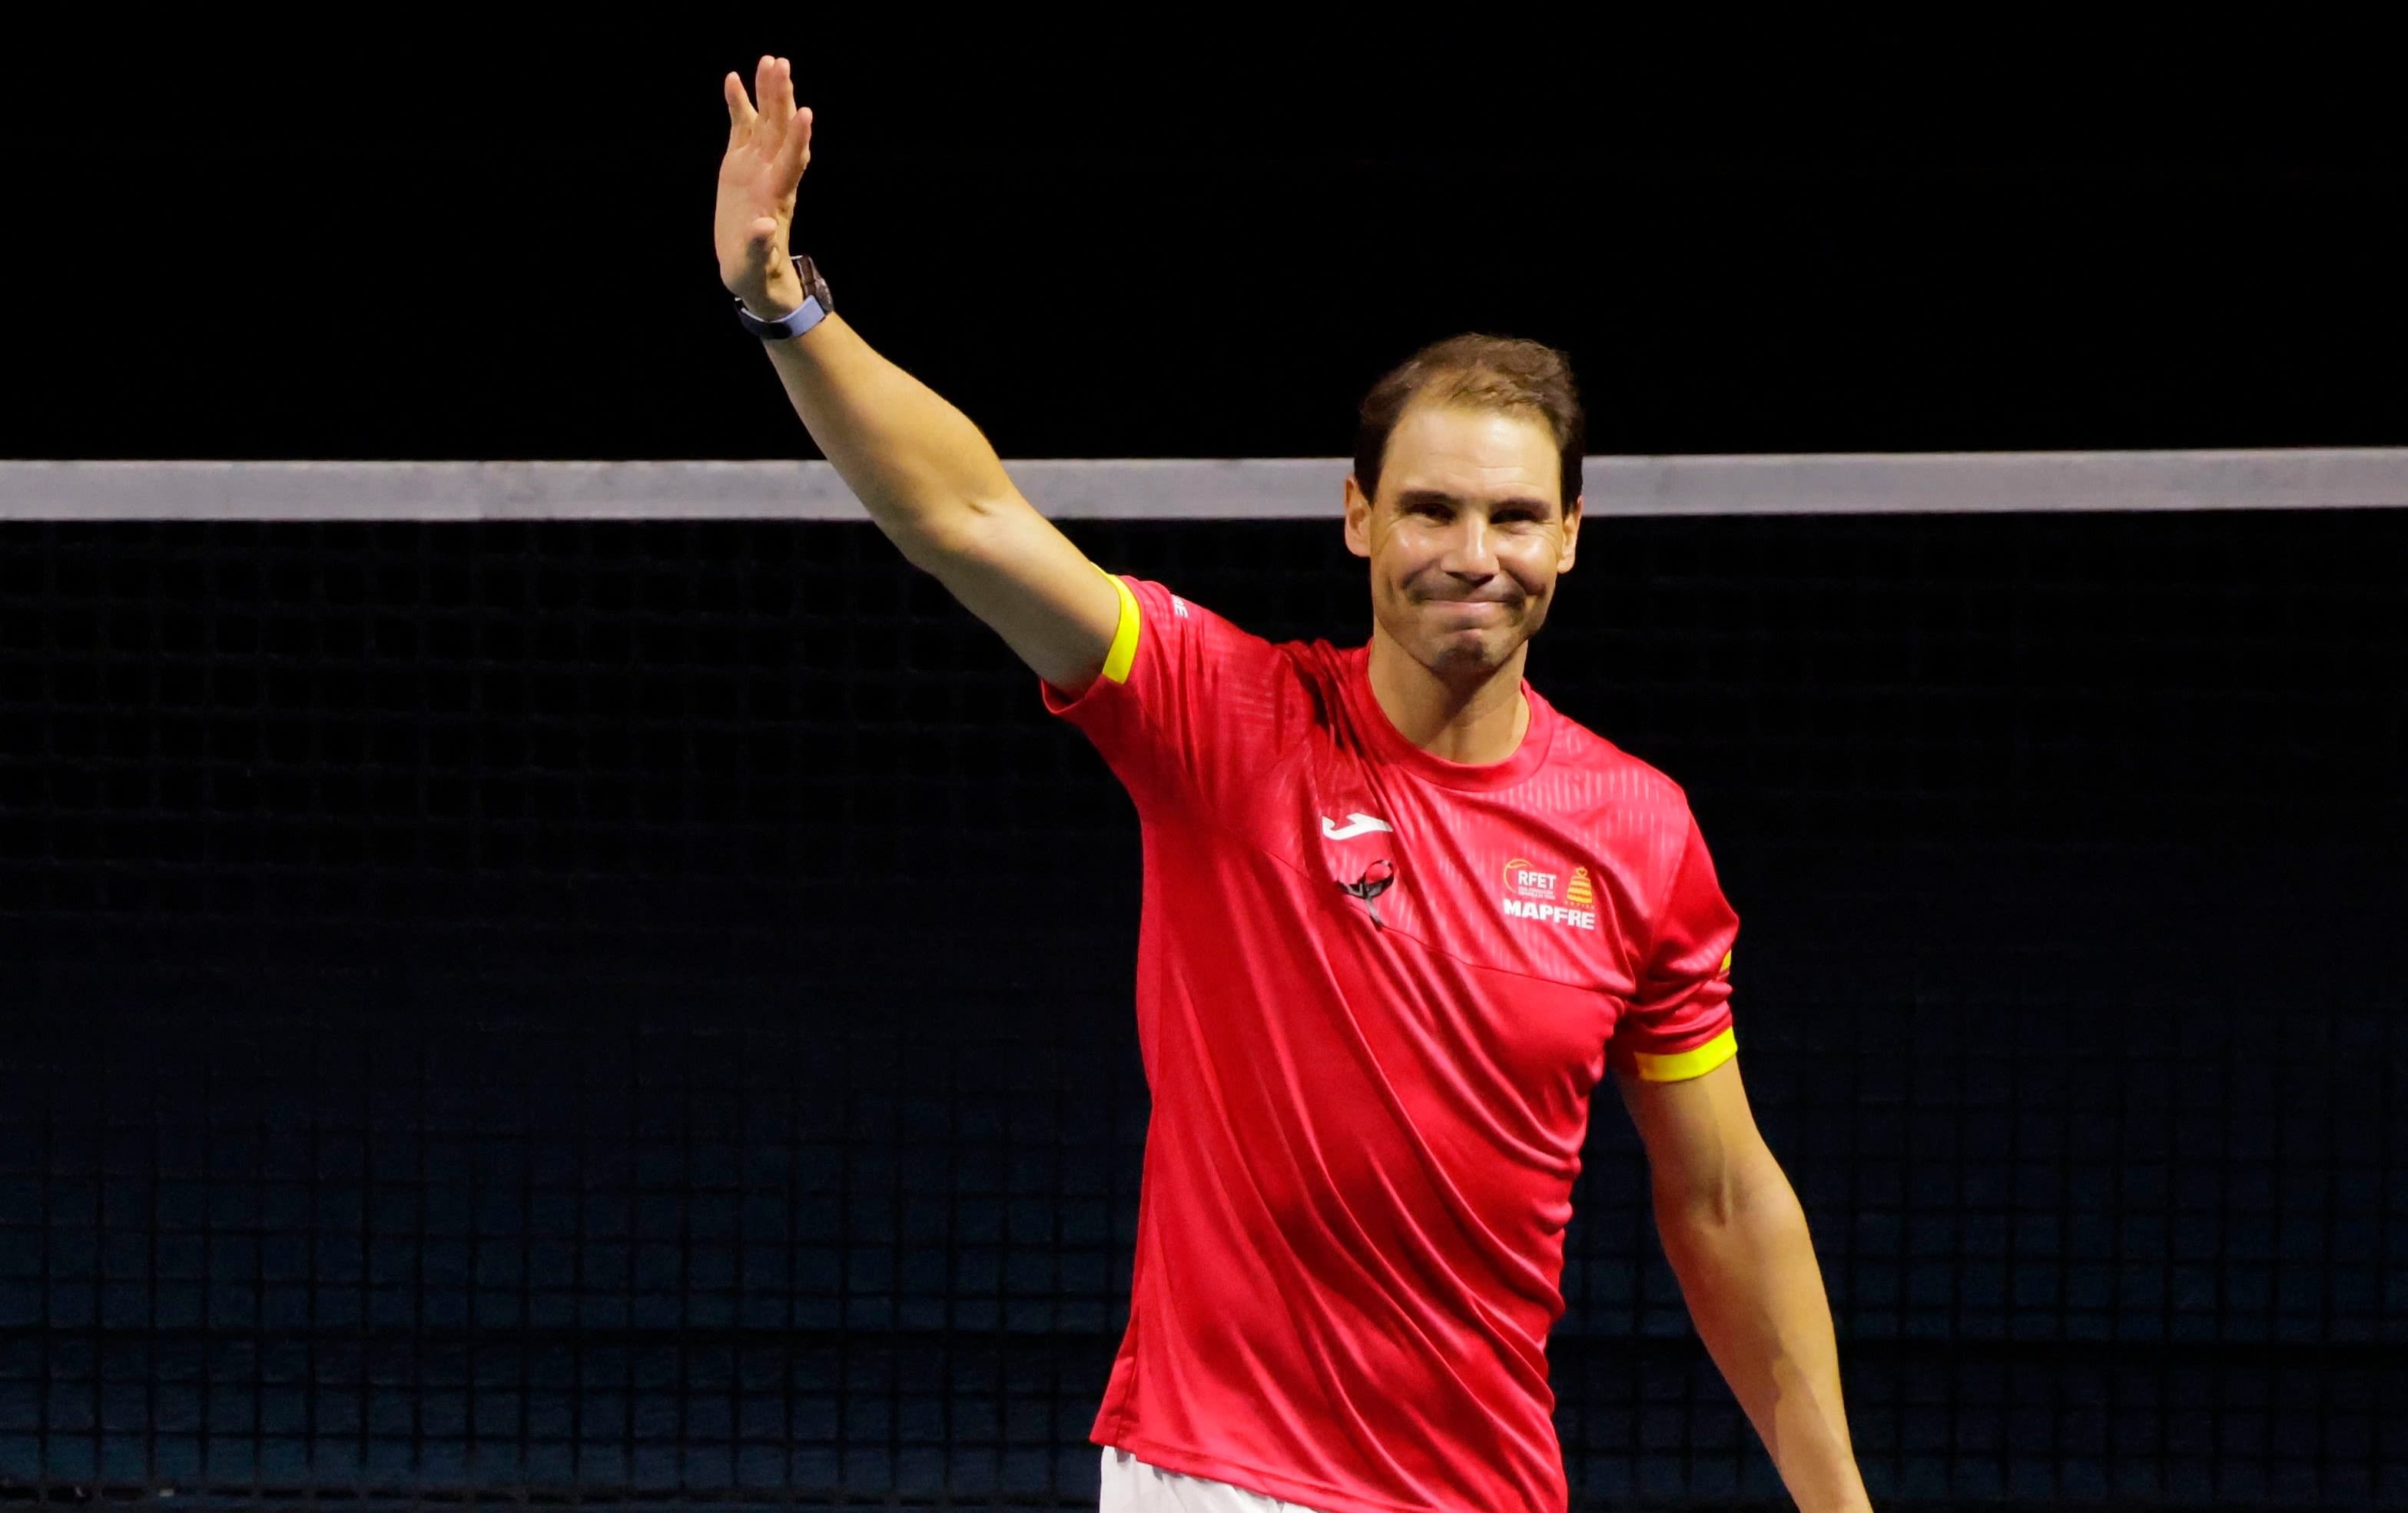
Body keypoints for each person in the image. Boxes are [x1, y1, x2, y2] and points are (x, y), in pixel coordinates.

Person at [714, 55, 1873, 1513]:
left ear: (1572, 535)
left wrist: (1839, 1501)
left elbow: (1722, 1196)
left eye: (1516, 516)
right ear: (1357, 517)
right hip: (1221, 1475)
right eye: (1431, 508)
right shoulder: (1226, 722)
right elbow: (966, 515)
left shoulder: (1640, 833)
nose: (1475, 553)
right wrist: (786, 307)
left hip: (1486, 1488)